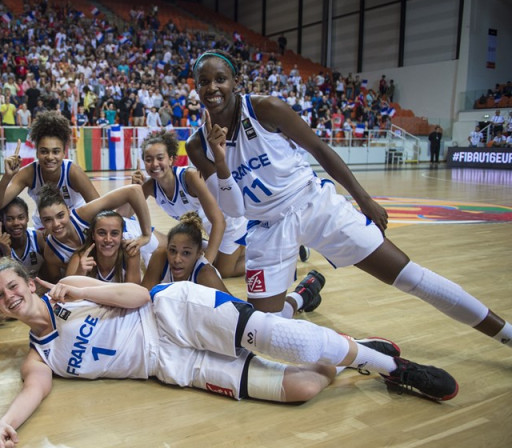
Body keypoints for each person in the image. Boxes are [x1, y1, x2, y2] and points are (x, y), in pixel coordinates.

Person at [185, 49, 512, 345]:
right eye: (204, 82)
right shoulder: (198, 146)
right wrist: (220, 157)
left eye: (220, 79)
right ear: (195, 87)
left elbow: (320, 149)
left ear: (235, 81)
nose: (212, 88)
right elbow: (234, 209)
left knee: (408, 275)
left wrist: (362, 198)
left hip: (313, 204)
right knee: (265, 333)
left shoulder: (266, 108)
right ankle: (303, 297)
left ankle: (506, 334)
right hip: (266, 228)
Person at [0, 259, 458, 448]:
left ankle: (394, 368)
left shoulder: (71, 289)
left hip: (170, 313)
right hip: (169, 367)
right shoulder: (38, 356)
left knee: (283, 340)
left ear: (30, 283)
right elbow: (35, 391)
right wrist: (8, 423)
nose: (10, 296)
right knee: (302, 386)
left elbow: (140, 296)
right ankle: (349, 346)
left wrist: (88, 294)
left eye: (14, 285)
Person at [132, 130, 246, 278]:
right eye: (148, 159)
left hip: (229, 222)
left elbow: (219, 221)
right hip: (209, 227)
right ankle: (239, 250)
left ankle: (255, 257)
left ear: (171, 159)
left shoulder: (189, 177)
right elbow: (126, 213)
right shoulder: (149, 186)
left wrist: (206, 265)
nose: (154, 164)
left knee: (222, 271)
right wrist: (133, 188)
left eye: (160, 158)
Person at [0, 111, 100, 228]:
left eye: (55, 152)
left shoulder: (73, 172)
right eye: (44, 151)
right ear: (37, 152)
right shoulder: (29, 173)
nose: (50, 157)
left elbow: (99, 209)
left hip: (76, 222)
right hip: (45, 226)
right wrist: (7, 176)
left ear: (64, 153)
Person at [37, 183, 160, 282]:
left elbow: (134, 191)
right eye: (47, 220)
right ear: (41, 222)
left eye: (60, 215)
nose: (56, 224)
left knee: (160, 255)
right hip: (106, 263)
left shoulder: (83, 215)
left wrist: (146, 234)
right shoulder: (52, 253)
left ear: (69, 211)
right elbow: (62, 281)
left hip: (126, 231)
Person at [142, 212, 228, 292]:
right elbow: (145, 297)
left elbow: (235, 306)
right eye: (172, 250)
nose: (177, 260)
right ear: (167, 247)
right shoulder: (160, 256)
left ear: (199, 254)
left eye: (186, 253)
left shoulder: (206, 274)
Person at [65, 210, 141, 284]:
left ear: (122, 236)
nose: (108, 239)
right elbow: (66, 292)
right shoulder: (81, 257)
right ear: (93, 235)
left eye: (114, 233)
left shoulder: (130, 254)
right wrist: (80, 273)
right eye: (102, 233)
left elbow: (134, 294)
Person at [0, 197, 46, 278]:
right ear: (2, 221)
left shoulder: (37, 238)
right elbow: (4, 280)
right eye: (9, 219)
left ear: (27, 217)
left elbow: (51, 271)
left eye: (21, 217)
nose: (16, 223)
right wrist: (6, 254)